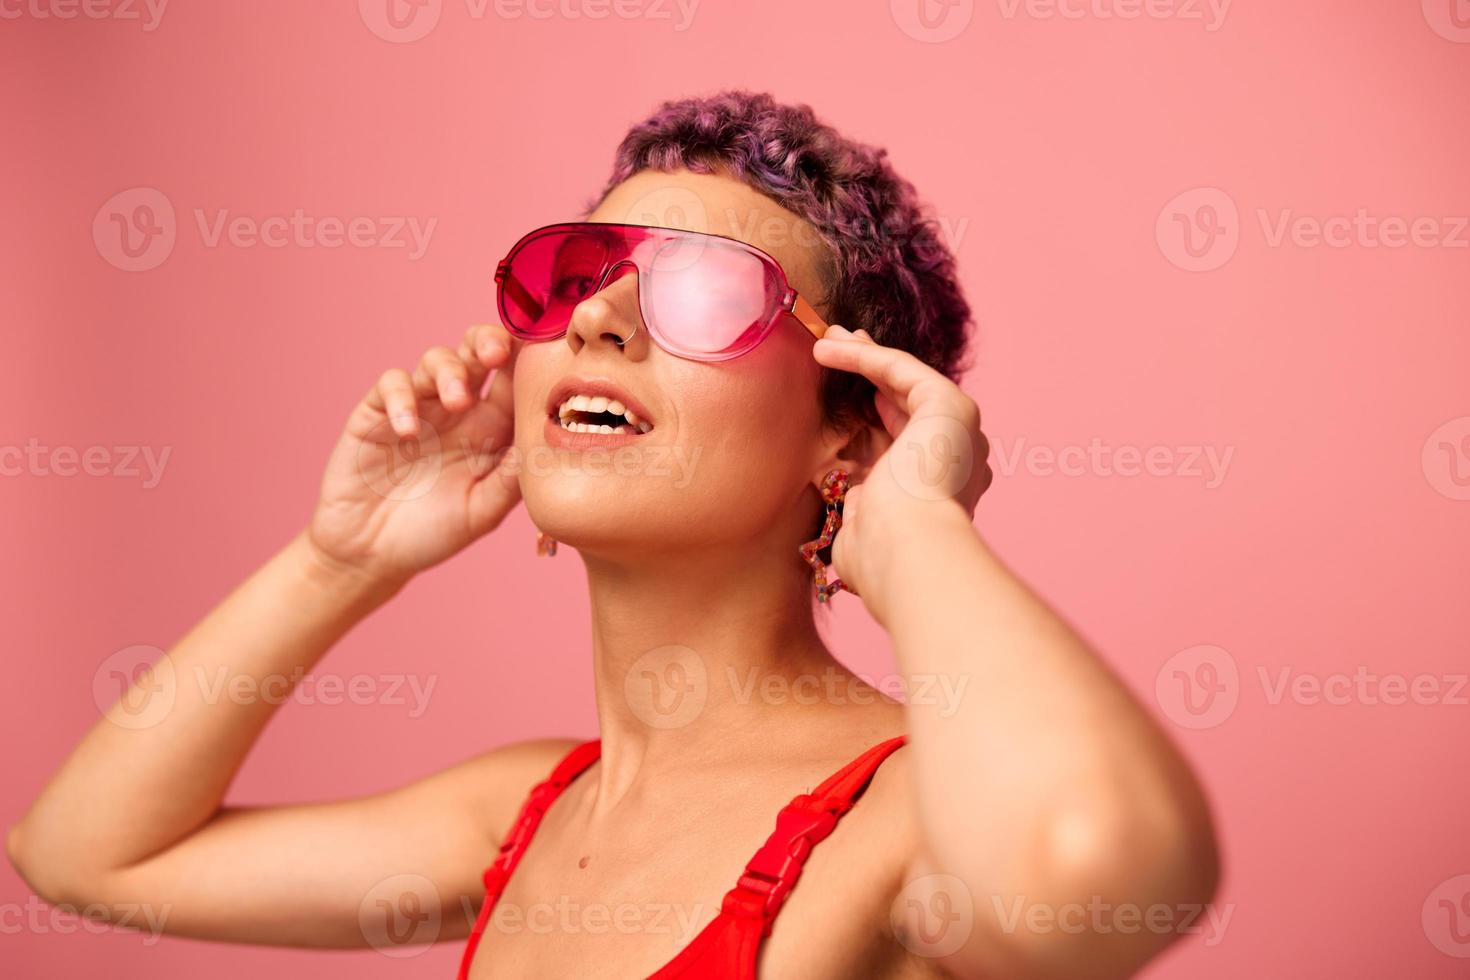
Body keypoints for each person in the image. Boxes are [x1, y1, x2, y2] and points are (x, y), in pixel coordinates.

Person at [7, 90, 1218, 979]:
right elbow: (84, 855)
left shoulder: (906, 814)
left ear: (849, 426)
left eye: (701, 289)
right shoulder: (518, 811)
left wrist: (915, 529)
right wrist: (347, 556)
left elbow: (1091, 870)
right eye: (575, 271)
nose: (593, 317)